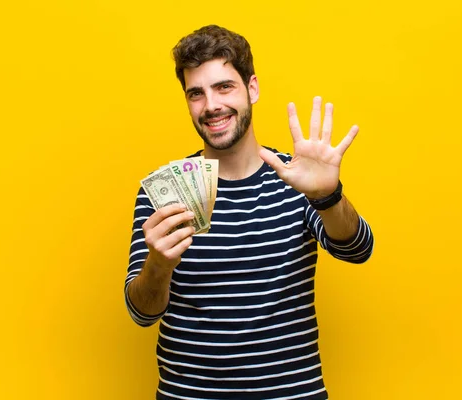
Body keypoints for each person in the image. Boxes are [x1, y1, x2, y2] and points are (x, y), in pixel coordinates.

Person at [125, 24, 374, 400]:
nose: (211, 106)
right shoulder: (163, 192)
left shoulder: (299, 178)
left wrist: (328, 196)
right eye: (196, 93)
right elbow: (142, 314)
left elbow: (358, 250)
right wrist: (158, 264)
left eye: (224, 86)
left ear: (252, 88)